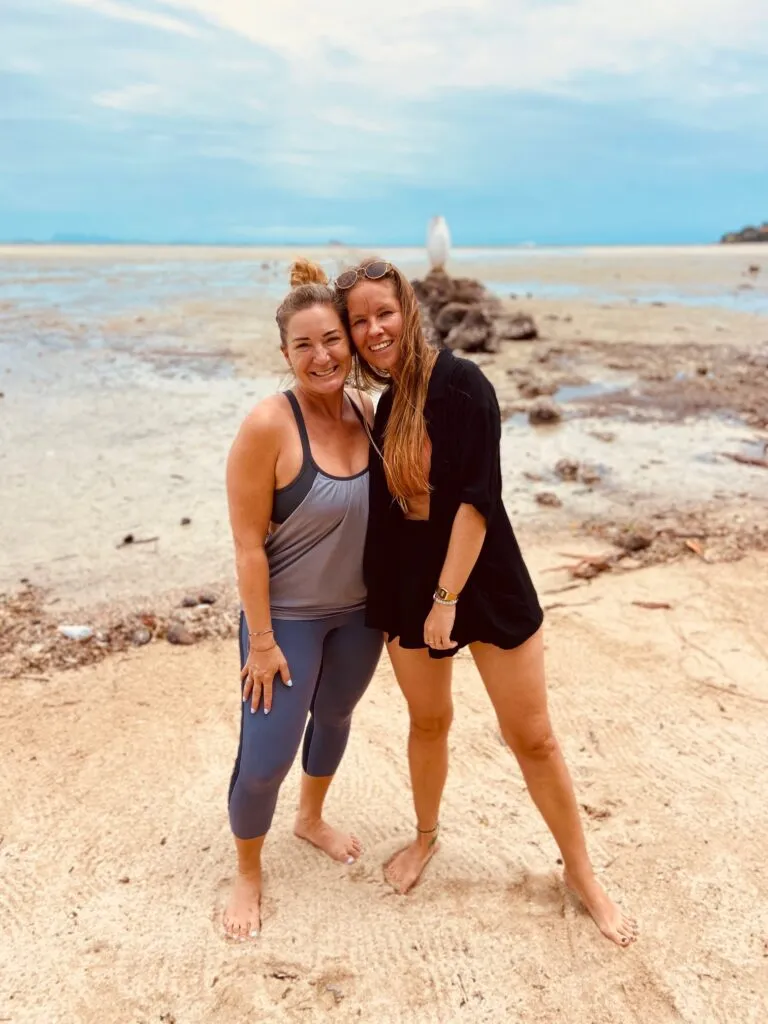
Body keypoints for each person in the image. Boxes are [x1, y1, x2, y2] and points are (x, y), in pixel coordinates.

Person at [335, 257, 638, 948]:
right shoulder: (383, 407)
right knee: (429, 722)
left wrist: (446, 599)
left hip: (483, 577)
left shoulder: (463, 383)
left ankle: (582, 873)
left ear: (409, 311)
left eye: (384, 313)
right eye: (359, 321)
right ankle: (426, 836)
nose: (374, 329)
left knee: (533, 736)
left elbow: (477, 499)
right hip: (409, 586)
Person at [223, 259, 383, 940]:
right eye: (304, 345)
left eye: (332, 340)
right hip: (285, 621)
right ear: (284, 353)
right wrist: (260, 642)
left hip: (360, 616)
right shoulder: (268, 425)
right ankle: (247, 871)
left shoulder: (367, 412)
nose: (322, 357)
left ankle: (310, 818)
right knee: (265, 758)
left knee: (336, 717)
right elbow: (248, 547)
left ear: (350, 340)